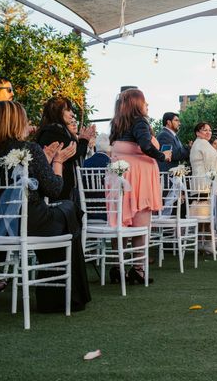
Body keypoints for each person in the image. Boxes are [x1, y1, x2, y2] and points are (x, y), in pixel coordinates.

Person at [0, 101, 91, 312]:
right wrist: (57, 162)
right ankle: (65, 295)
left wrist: (46, 159)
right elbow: (54, 189)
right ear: (16, 122)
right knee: (69, 208)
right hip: (31, 223)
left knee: (66, 211)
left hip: (2, 225)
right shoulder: (28, 149)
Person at [108, 89, 171, 285]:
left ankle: (118, 267)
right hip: (138, 179)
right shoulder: (140, 121)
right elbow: (145, 145)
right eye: (144, 101)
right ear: (137, 103)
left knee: (123, 222)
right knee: (140, 225)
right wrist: (163, 156)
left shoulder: (118, 123)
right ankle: (138, 269)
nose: (147, 105)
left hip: (120, 177)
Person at [35, 96, 96, 203]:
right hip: (59, 191)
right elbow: (73, 152)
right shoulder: (54, 130)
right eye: (68, 110)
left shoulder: (56, 129)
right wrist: (84, 140)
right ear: (57, 112)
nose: (72, 114)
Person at [189, 122, 217, 252]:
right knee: (206, 215)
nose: (208, 132)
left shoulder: (200, 143)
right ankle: (207, 243)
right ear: (198, 132)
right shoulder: (202, 144)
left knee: (204, 216)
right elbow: (213, 161)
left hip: (200, 182)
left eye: (210, 130)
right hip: (203, 183)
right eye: (205, 130)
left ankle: (203, 243)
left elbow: (213, 160)